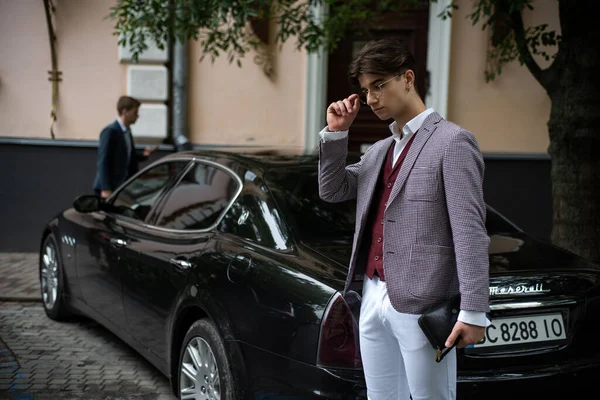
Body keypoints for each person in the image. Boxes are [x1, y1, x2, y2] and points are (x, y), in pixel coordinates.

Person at [317, 38, 490, 399]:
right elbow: (332, 190)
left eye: (379, 85)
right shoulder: (379, 150)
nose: (372, 99)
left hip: (424, 301)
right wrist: (336, 133)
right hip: (373, 293)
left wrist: (474, 311)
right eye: (365, 91)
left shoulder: (453, 142)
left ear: (407, 78)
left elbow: (470, 231)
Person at [92, 96, 158, 199]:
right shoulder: (110, 131)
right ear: (125, 111)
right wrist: (105, 188)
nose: (137, 116)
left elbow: (127, 155)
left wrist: (144, 154)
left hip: (123, 186)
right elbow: (103, 161)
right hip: (110, 189)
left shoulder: (127, 131)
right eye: (135, 112)